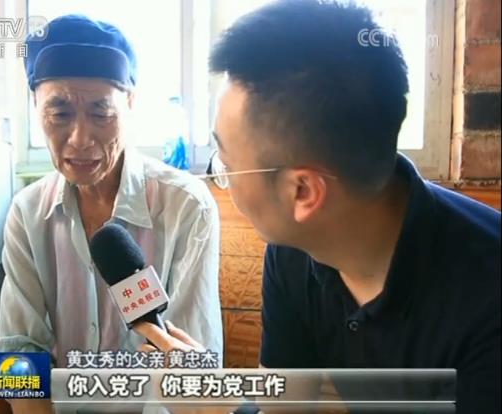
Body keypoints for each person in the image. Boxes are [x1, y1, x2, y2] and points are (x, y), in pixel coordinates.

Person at [135, 1, 501, 413]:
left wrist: (220, 407)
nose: (222, 177)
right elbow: (286, 407)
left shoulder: (486, 302)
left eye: (228, 165)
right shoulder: (295, 250)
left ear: (303, 192)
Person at [0, 14, 222, 414]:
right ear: (35, 107)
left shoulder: (186, 206)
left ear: (130, 103)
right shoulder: (27, 213)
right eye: (60, 113)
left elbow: (189, 363)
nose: (80, 139)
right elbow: (16, 350)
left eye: (101, 113)